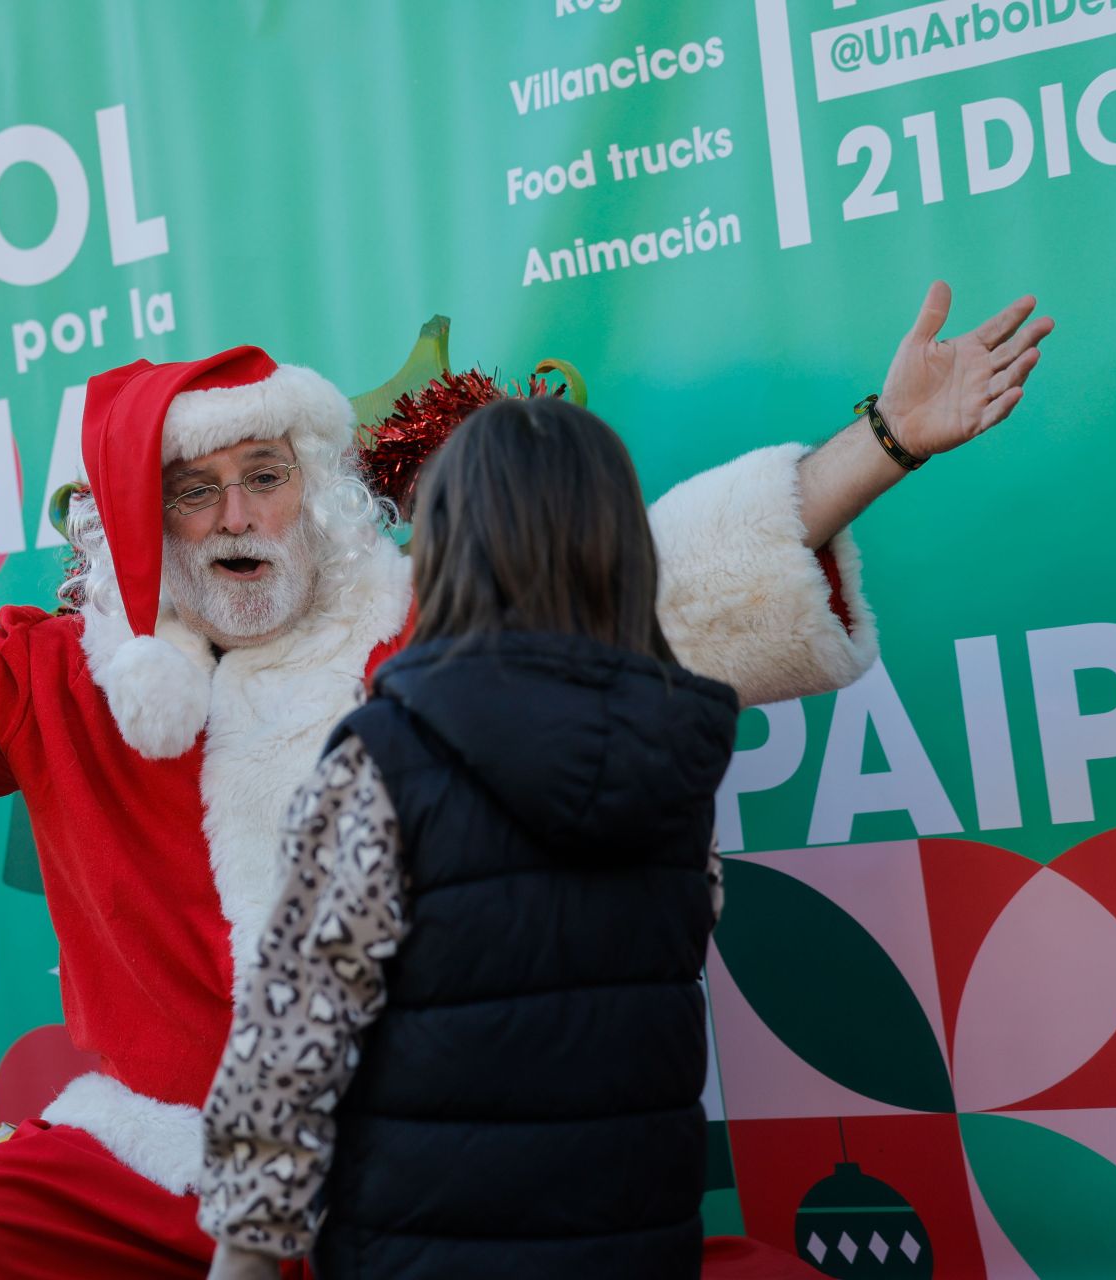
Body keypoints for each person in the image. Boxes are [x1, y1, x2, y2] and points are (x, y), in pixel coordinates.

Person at [0, 282, 1050, 1278]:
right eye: (203, 493)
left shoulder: (428, 623)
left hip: (420, 1156)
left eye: (270, 476)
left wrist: (875, 452)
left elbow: (660, 586)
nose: (246, 515)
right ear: (135, 524)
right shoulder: (64, 678)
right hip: (155, 1154)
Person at [199, 394, 738, 1278]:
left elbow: (293, 1044)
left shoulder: (383, 757)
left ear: (446, 551)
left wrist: (247, 1257)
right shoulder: (680, 760)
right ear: (622, 549)